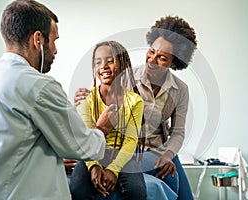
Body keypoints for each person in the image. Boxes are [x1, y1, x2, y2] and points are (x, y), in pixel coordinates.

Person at [0, 1, 117, 199]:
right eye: (54, 40)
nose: (55, 50)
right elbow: (82, 144)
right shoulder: (39, 86)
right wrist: (103, 127)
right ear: (38, 39)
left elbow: (14, 139)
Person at [75, 16, 197, 199]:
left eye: (162, 58)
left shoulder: (180, 90)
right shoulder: (126, 75)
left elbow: (178, 132)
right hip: (133, 149)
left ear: (173, 62)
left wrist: (168, 155)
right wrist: (81, 97)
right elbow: (100, 95)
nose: (152, 60)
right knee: (172, 180)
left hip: (157, 149)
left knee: (182, 191)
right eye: (151, 52)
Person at [70, 41, 147, 200]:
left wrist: (113, 169)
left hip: (121, 154)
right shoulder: (86, 99)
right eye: (98, 62)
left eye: (110, 60)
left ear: (123, 64)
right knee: (77, 189)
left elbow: (130, 141)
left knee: (137, 191)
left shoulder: (135, 101)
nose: (103, 66)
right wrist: (94, 166)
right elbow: (87, 138)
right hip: (91, 154)